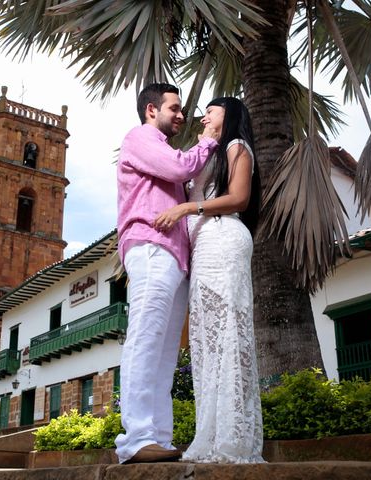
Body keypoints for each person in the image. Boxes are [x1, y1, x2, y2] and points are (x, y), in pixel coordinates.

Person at [154, 96, 264, 463]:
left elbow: (239, 198)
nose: (202, 117)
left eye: (210, 112)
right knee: (206, 340)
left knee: (228, 334)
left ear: (228, 116)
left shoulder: (236, 146)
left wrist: (189, 206)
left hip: (225, 239)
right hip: (203, 248)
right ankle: (212, 435)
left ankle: (234, 439)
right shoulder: (208, 152)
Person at [115, 83, 219, 464]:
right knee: (145, 337)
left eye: (182, 110)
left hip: (176, 257)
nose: (181, 115)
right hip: (150, 245)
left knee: (164, 354)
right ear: (150, 110)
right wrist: (207, 138)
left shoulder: (161, 146)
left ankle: (157, 437)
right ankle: (136, 438)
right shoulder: (140, 137)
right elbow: (179, 167)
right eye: (174, 108)